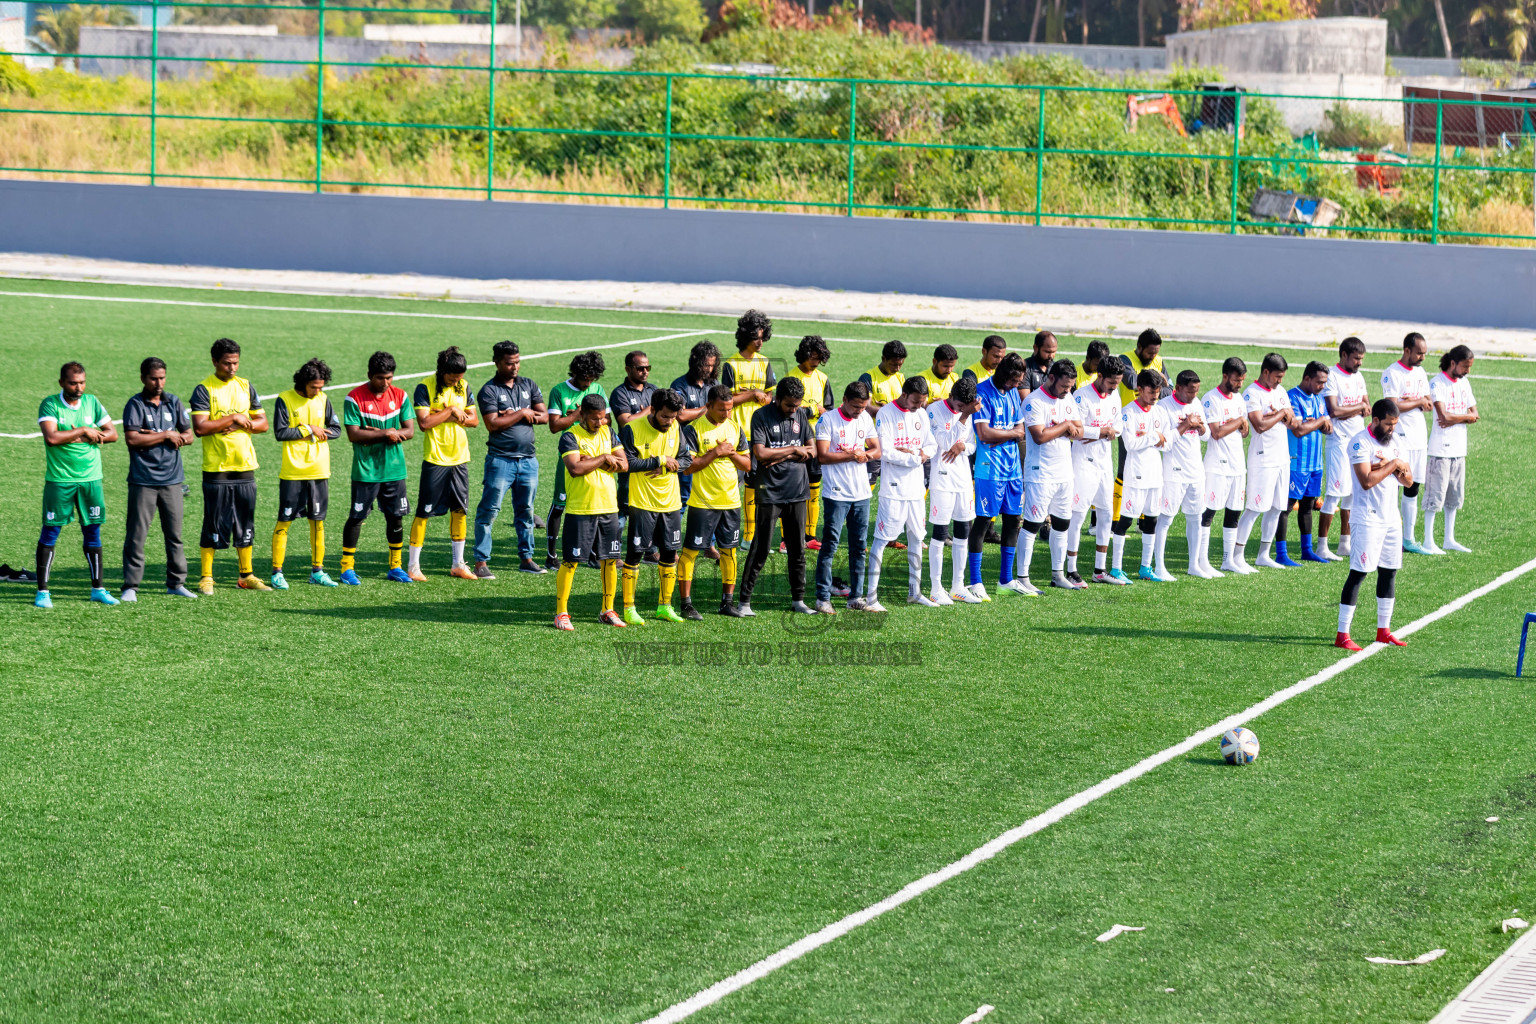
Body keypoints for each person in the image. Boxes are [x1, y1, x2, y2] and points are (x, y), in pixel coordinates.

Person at [35, 361, 119, 608]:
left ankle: (98, 588)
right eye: (73, 383)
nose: (79, 387)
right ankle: (43, 592)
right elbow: (51, 437)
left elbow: (112, 434)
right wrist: (84, 431)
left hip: (91, 479)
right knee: (51, 531)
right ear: (62, 382)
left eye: (82, 382)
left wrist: (89, 432)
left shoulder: (92, 402)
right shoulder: (50, 404)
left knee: (93, 530)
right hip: (60, 480)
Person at [191, 337, 270, 593]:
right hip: (217, 469)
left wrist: (239, 423)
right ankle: (206, 577)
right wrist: (233, 418)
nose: (232, 368)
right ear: (215, 361)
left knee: (245, 523)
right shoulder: (204, 389)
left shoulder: (246, 386)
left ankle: (246, 575)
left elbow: (263, 425)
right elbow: (200, 428)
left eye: (235, 362)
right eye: (227, 363)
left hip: (245, 466)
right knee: (213, 522)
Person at [1336, 398, 1412, 651]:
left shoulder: (1396, 441)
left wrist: (1393, 468)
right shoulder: (1359, 442)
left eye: (1395, 424)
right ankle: (1342, 634)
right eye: (1389, 424)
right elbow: (1367, 480)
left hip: (1391, 518)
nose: (1392, 429)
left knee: (1389, 572)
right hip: (1367, 517)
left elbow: (1409, 481)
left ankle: (1383, 630)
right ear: (1375, 420)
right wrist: (1392, 465)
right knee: (1358, 573)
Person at [737, 377, 816, 617]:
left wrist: (778, 456)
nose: (794, 410)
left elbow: (812, 450)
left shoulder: (800, 414)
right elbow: (760, 454)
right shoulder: (761, 416)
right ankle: (744, 602)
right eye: (789, 405)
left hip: (797, 490)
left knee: (797, 548)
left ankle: (798, 600)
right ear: (777, 398)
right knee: (760, 548)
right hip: (770, 491)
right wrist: (793, 450)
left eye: (797, 405)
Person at [120, 357, 197, 602]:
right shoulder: (135, 404)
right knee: (137, 535)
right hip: (143, 480)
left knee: (174, 535)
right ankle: (130, 586)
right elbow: (132, 439)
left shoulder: (173, 402)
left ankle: (176, 583)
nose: (159, 382)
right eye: (154, 378)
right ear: (143, 378)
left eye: (162, 377)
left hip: (172, 480)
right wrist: (165, 435)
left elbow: (189, 435)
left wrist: (171, 436)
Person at [618, 388, 693, 625]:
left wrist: (668, 466)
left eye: (673, 417)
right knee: (636, 554)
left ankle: (665, 606)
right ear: (652, 410)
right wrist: (660, 460)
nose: (669, 422)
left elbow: (686, 459)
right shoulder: (632, 429)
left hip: (670, 503)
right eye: (665, 417)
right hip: (642, 503)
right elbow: (628, 463)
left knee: (670, 554)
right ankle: (629, 608)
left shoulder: (676, 427)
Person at [340, 350, 415, 585]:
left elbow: (410, 431)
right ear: (369, 375)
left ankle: (395, 566)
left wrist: (374, 434)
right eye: (381, 378)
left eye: (389, 378)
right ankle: (346, 568)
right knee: (357, 517)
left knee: (396, 518)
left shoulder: (400, 396)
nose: (386, 383)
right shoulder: (354, 399)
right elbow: (354, 435)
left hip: (394, 469)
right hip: (366, 470)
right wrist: (387, 432)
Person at [473, 340, 547, 579]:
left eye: (517, 362)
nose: (515, 367)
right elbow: (492, 424)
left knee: (526, 511)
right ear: (497, 362)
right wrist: (523, 413)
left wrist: (513, 415)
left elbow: (544, 416)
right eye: (509, 363)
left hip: (528, 460)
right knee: (490, 510)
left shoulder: (528, 384)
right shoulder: (489, 390)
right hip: (500, 460)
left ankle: (526, 559)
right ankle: (481, 561)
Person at [553, 394, 627, 630]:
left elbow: (624, 464)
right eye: (595, 419)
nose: (600, 423)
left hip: (609, 508)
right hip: (581, 508)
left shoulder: (609, 432)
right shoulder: (570, 436)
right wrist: (606, 458)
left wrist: (595, 460)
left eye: (603, 418)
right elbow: (575, 468)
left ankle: (608, 610)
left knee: (610, 561)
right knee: (571, 561)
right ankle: (561, 612)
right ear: (582, 415)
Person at [678, 385, 750, 619]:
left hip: (731, 502)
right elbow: (687, 467)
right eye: (721, 409)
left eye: (729, 409)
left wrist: (732, 454)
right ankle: (686, 604)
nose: (726, 414)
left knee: (729, 552)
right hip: (703, 503)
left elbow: (748, 465)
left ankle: (727, 603)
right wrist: (715, 453)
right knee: (690, 552)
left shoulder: (735, 427)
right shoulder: (693, 430)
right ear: (708, 406)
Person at [270, 357, 342, 589]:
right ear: (303, 383)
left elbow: (336, 430)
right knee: (285, 521)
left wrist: (318, 431)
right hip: (293, 472)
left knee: (318, 523)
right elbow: (281, 433)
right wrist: (310, 429)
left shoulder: (323, 399)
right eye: (314, 387)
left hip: (319, 471)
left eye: (321, 387)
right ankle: (277, 572)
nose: (318, 391)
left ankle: (318, 571)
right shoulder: (285, 399)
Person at [409, 346, 479, 580]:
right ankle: (413, 566)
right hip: (436, 459)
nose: (456, 381)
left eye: (459, 377)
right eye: (452, 377)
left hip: (459, 458)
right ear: (442, 371)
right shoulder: (424, 387)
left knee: (460, 511)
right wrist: (451, 411)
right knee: (424, 512)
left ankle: (458, 564)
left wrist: (442, 414)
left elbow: (474, 421)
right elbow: (424, 423)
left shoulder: (464, 386)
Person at [867, 377, 937, 611]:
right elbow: (885, 451)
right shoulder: (886, 414)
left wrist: (918, 452)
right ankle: (871, 598)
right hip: (894, 489)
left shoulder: (921, 414)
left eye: (922, 402)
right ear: (904, 394)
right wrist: (914, 457)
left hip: (917, 489)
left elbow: (932, 445)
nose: (919, 406)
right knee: (882, 539)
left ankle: (914, 592)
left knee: (917, 538)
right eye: (916, 402)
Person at [813, 381, 879, 615]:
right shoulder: (828, 420)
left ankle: (856, 597)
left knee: (859, 547)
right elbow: (822, 456)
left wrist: (866, 455)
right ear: (844, 400)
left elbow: (876, 450)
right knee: (830, 545)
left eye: (863, 407)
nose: (859, 411)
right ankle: (822, 598)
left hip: (862, 493)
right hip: (836, 493)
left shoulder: (865, 419)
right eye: (855, 407)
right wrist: (851, 455)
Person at [966, 353, 1028, 601]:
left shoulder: (1012, 391)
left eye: (1020, 381)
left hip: (1013, 469)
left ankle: (1006, 580)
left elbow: (1021, 431)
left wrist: (1008, 432)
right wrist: (1011, 432)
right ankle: (975, 582)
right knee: (982, 522)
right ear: (1003, 374)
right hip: (989, 469)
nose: (1017, 385)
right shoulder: (982, 393)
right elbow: (984, 434)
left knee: (1013, 521)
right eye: (1014, 380)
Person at [1019, 358, 1083, 593]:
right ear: (1051, 378)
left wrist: (1063, 427)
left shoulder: (1068, 398)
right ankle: (1023, 577)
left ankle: (1057, 574)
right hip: (1040, 473)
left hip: (1065, 473)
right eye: (1064, 386)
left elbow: (1080, 430)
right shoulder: (1034, 401)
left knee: (1062, 524)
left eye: (1071, 387)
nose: (1067, 391)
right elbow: (1039, 436)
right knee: (1033, 525)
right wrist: (1065, 426)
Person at [543, 352, 607, 569]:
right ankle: (551, 555)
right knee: (560, 504)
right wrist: (577, 415)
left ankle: (593, 553)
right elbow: (554, 426)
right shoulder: (559, 391)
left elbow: (605, 419)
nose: (588, 383)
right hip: (569, 454)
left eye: (592, 378)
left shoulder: (597, 390)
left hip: (593, 453)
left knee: (593, 503)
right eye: (584, 378)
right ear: (575, 373)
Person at [1234, 353, 1296, 573]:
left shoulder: (1281, 392)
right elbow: (1259, 425)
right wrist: (1281, 414)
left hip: (1282, 458)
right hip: (1263, 458)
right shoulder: (1252, 393)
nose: (1280, 381)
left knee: (1278, 508)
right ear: (1266, 372)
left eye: (1282, 377)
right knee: (1255, 507)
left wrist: (1281, 416)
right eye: (1277, 376)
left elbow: (1293, 423)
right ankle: (1237, 555)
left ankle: (1263, 555)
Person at [1066, 357, 1123, 585]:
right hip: (1083, 463)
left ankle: (1099, 570)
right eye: (1111, 383)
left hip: (1104, 463)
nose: (1114, 388)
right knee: (1078, 515)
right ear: (1099, 376)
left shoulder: (1115, 395)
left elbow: (1118, 424)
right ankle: (1071, 569)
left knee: (1106, 513)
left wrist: (1110, 431)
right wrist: (1101, 432)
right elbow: (1075, 429)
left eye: (1117, 383)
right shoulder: (1081, 396)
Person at [1114, 369, 1171, 583]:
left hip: (1155, 474)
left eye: (1158, 392)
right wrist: (1154, 436)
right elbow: (1130, 444)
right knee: (1126, 520)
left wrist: (1154, 439)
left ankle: (1146, 567)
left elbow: (1165, 444)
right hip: (1135, 474)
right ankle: (1116, 568)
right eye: (1151, 392)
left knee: (1152, 521)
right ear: (1140, 390)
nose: (1155, 396)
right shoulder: (1128, 413)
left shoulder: (1160, 412)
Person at [926, 376, 979, 604]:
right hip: (942, 480)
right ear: (951, 397)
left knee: (963, 532)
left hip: (963, 480)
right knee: (939, 534)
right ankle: (936, 588)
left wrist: (963, 446)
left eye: (963, 408)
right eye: (958, 407)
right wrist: (964, 416)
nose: (960, 410)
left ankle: (958, 586)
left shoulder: (968, 411)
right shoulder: (933, 411)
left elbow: (973, 444)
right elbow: (944, 442)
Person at [1380, 332, 1434, 554]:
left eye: (1424, 353)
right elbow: (1392, 406)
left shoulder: (1421, 372)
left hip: (1419, 438)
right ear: (1407, 350)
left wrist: (1420, 402)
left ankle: (1408, 539)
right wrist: (1418, 402)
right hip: (1400, 439)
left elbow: (1427, 400)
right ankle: (1387, 536)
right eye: (1419, 353)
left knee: (1413, 486)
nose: (1422, 357)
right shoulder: (1392, 373)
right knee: (1393, 487)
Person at [1318, 337, 1370, 561]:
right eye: (1356, 359)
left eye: (1361, 359)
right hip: (1338, 441)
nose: (1359, 363)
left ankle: (1344, 544)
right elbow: (1334, 410)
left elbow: (1367, 404)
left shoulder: (1359, 377)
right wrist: (1358, 407)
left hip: (1357, 440)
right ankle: (1321, 546)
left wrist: (1359, 407)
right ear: (1344, 356)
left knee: (1352, 493)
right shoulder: (1332, 377)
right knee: (1333, 494)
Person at [1155, 369, 1209, 580]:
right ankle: (1159, 566)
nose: (1194, 396)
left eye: (1196, 391)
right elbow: (1164, 444)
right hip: (1174, 471)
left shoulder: (1196, 404)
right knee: (1166, 518)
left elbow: (1206, 436)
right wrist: (1186, 425)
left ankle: (1194, 565)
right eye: (1190, 392)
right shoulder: (1163, 408)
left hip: (1196, 470)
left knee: (1195, 517)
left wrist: (1199, 426)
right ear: (1177, 388)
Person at [1423, 344, 1478, 554]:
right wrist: (1465, 417)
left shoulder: (1465, 383)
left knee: (1454, 496)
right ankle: (1428, 540)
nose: (1467, 371)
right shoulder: (1437, 383)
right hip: (1440, 449)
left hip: (1459, 449)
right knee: (1434, 496)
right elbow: (1443, 417)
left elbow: (1475, 413)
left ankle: (1449, 538)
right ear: (1453, 363)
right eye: (1465, 366)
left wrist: (1459, 418)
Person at [1198, 357, 1249, 579]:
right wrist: (1238, 422)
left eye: (1242, 380)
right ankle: (1202, 560)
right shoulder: (1211, 399)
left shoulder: (1239, 400)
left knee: (1234, 512)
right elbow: (1216, 433)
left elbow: (1244, 430)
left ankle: (1229, 560)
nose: (1240, 385)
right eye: (1237, 380)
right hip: (1217, 466)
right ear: (1225, 376)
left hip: (1238, 465)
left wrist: (1241, 425)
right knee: (1208, 512)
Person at [786, 335, 835, 553]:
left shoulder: (823, 378)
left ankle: (810, 535)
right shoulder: (791, 378)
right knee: (792, 490)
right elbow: (788, 409)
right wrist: (814, 410)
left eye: (819, 358)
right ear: (804, 354)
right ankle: (787, 539)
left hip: (816, 441)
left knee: (814, 489)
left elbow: (830, 409)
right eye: (813, 358)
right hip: (794, 440)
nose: (816, 362)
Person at [1285, 360, 1332, 564]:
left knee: (1308, 506)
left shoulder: (1319, 398)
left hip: (1315, 463)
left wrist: (1320, 423)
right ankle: (1280, 552)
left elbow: (1326, 426)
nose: (1322, 386)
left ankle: (1306, 550)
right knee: (1286, 507)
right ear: (1307, 378)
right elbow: (1299, 429)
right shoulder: (1292, 397)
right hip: (1297, 462)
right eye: (1319, 382)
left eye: (1324, 382)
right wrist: (1320, 422)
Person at [610, 349, 657, 543]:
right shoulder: (619, 393)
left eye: (648, 367)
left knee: (649, 504)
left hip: (651, 454)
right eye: (640, 368)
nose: (645, 371)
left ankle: (649, 548)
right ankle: (614, 546)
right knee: (624, 506)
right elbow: (625, 422)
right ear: (628, 369)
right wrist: (649, 410)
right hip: (629, 456)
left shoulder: (653, 390)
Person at [670, 340, 721, 511]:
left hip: (710, 449)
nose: (708, 369)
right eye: (705, 365)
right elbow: (681, 415)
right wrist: (709, 409)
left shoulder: (714, 384)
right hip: (687, 450)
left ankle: (710, 539)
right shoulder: (679, 385)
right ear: (695, 362)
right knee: (683, 497)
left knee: (711, 497)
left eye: (712, 365)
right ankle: (675, 537)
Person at [1022, 330, 1057, 394]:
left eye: (1054, 352)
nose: (1051, 356)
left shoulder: (1057, 368)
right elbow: (1026, 401)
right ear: (1035, 348)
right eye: (1047, 352)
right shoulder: (1024, 368)